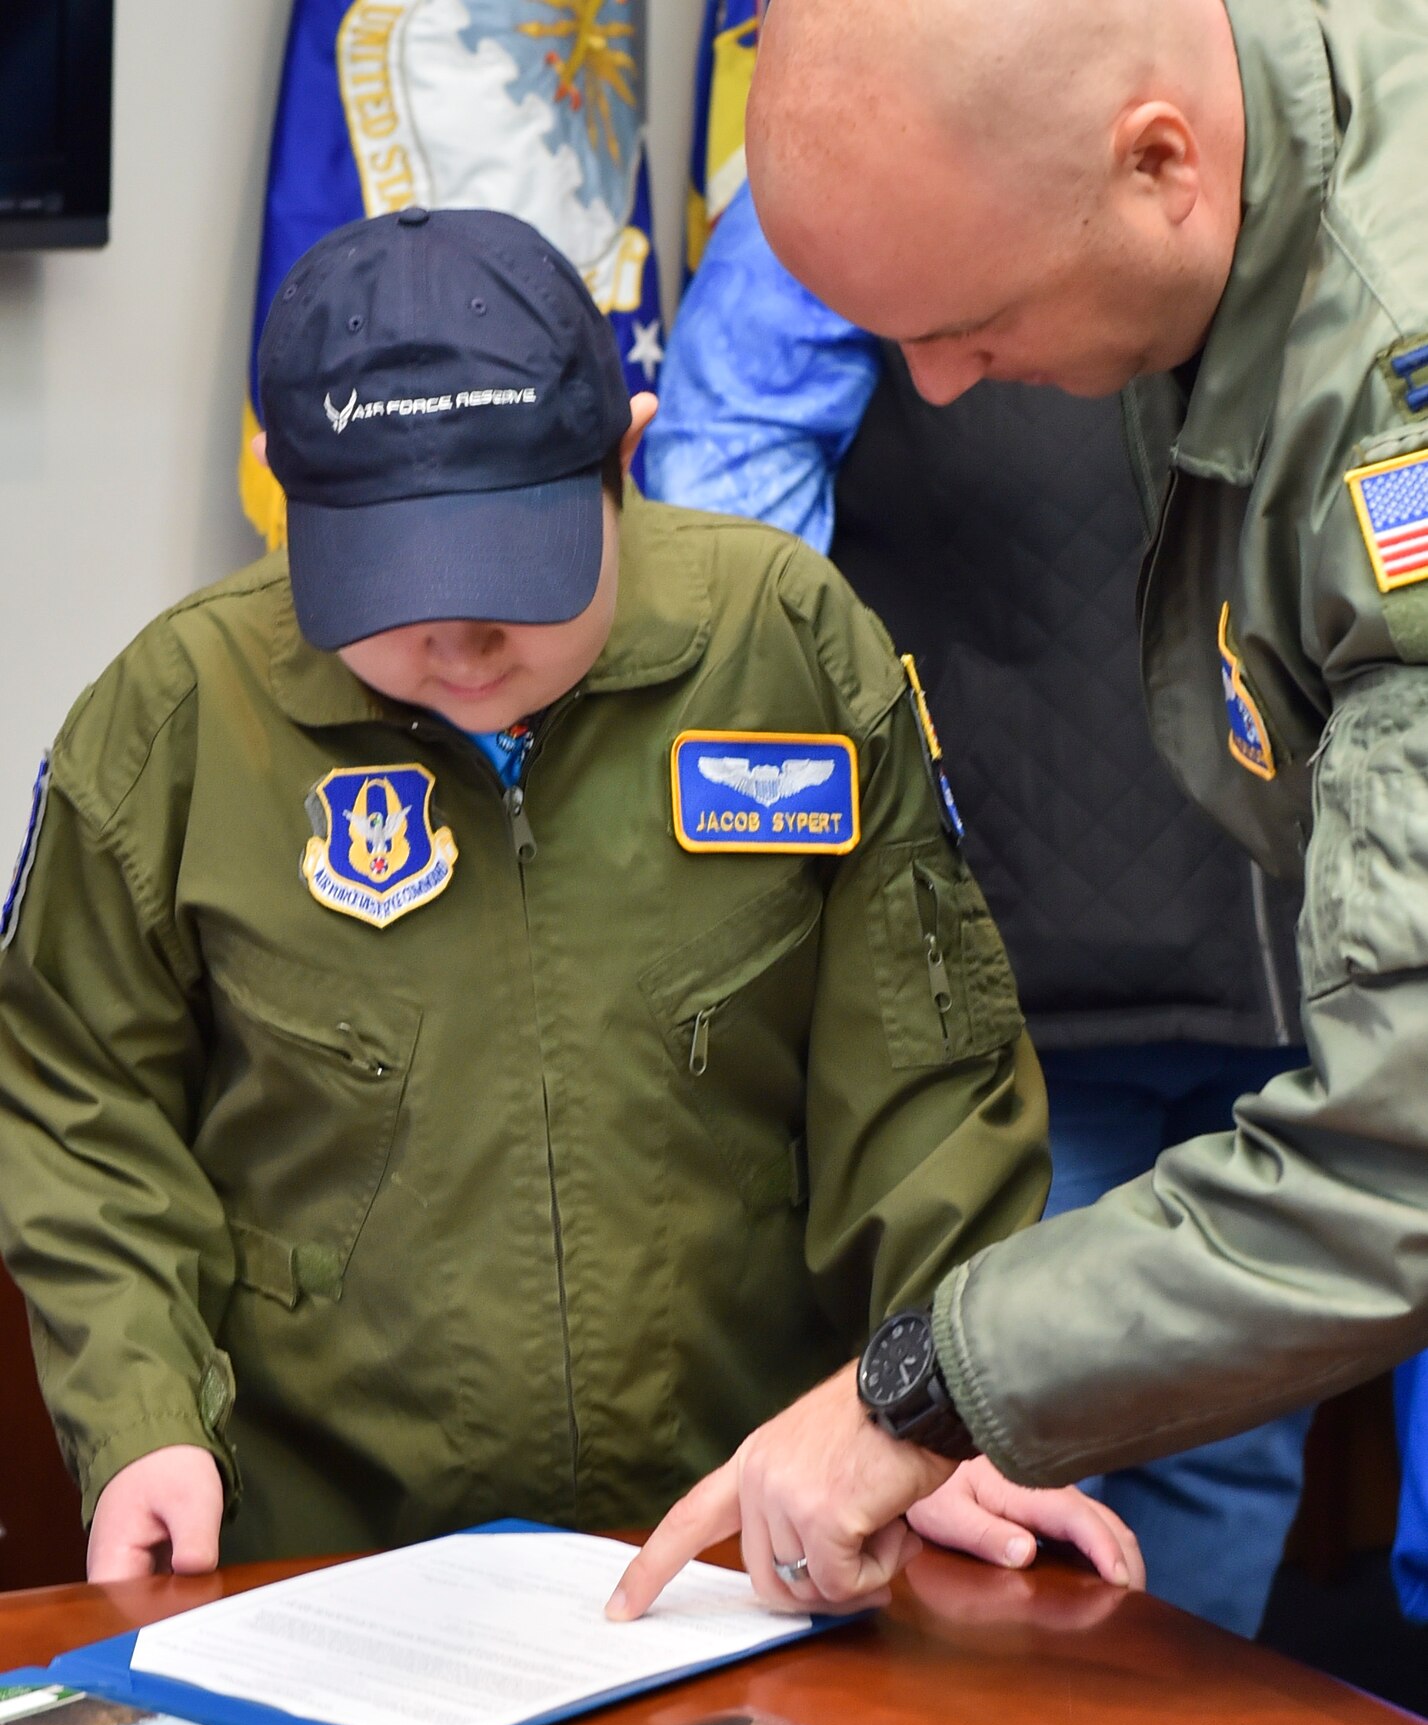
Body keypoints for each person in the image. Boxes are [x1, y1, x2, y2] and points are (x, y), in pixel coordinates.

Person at [0, 206, 1141, 1591]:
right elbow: (76, 1104)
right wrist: (143, 1423)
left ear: (627, 450)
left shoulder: (785, 651)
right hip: (317, 1568)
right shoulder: (178, 721)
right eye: (397, 584)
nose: (461, 642)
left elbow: (923, 1088)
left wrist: (937, 1416)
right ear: (279, 487)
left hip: (743, 1550)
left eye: (514, 578)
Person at [607, 0, 1428, 1623]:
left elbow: (1406, 1144)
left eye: (973, 321)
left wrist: (908, 1391)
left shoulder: (1392, 382)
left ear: (1159, 168)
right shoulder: (1244, 144)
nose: (935, 385)